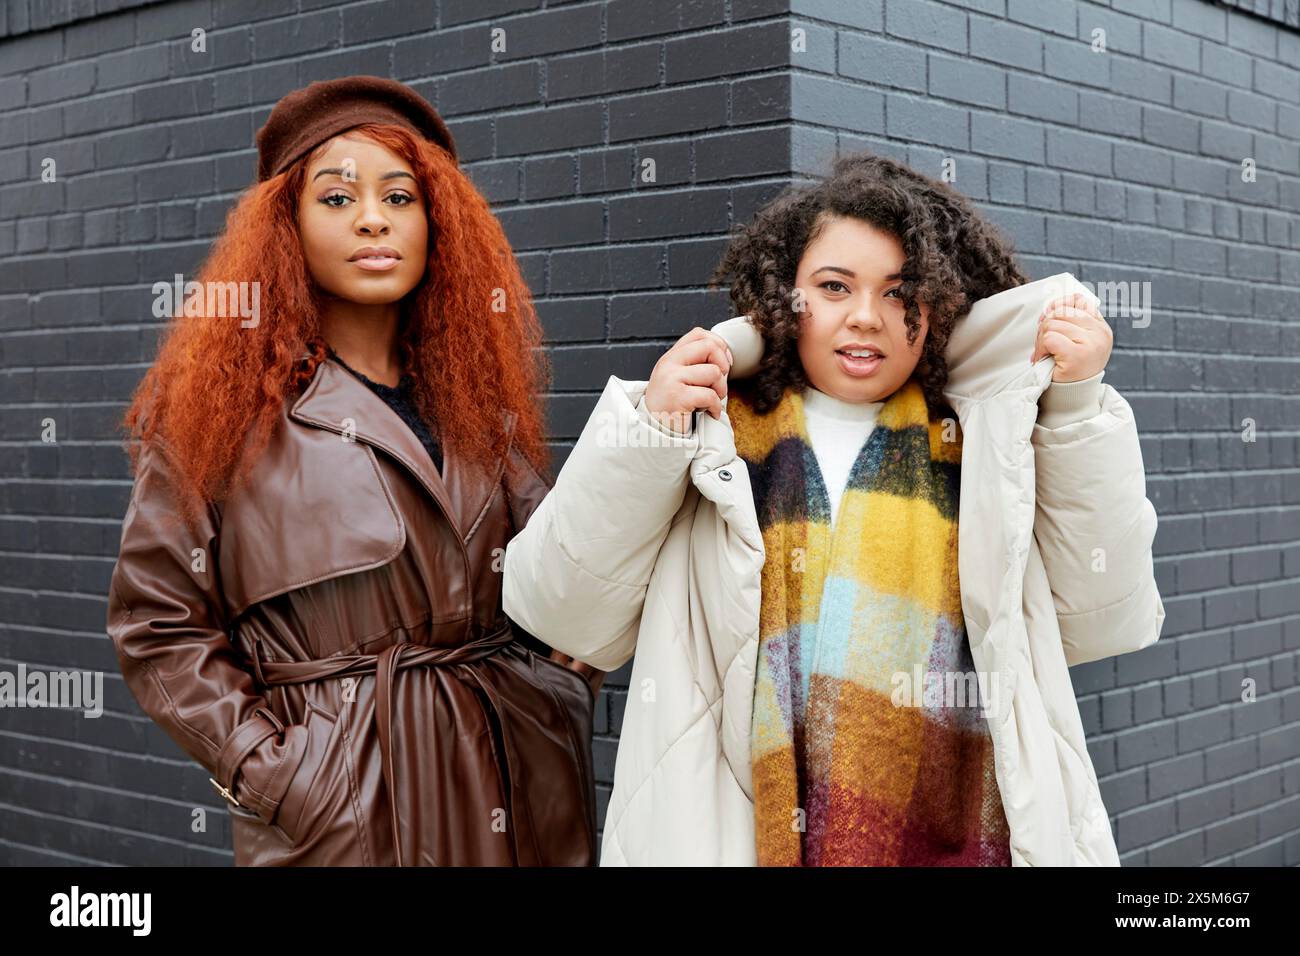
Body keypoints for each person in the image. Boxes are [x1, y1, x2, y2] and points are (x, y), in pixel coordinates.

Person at [502, 152, 1165, 865]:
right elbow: (560, 609)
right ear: (785, 295)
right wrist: (649, 432)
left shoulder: (988, 442)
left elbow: (1103, 615)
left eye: (898, 291)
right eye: (834, 286)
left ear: (938, 305)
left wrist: (1076, 407)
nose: (865, 317)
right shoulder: (708, 437)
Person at [106, 76, 601, 866]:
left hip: (515, 796)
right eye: (336, 198)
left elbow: (560, 581)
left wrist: (558, 687)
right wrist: (274, 774)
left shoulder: (478, 407)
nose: (374, 218)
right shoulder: (221, 418)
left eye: (400, 196)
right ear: (287, 228)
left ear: (438, 223)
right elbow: (159, 623)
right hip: (347, 822)